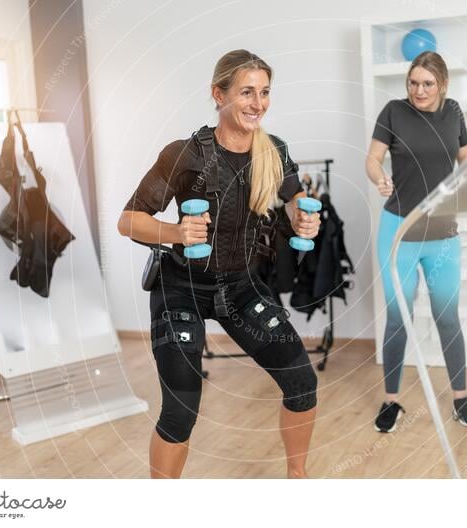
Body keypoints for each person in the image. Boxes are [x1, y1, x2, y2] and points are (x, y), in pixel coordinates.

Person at [117, 50, 321, 478]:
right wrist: (176, 233)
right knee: (181, 411)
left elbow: (291, 201)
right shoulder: (185, 154)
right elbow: (128, 220)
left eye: (264, 92)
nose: (257, 103)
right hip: (181, 289)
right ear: (218, 94)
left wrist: (303, 215)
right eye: (246, 92)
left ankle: (298, 480)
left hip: (241, 289)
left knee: (302, 383)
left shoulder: (274, 151)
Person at [364, 51, 467, 433]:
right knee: (398, 318)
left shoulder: (453, 112)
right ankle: (391, 401)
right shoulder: (393, 111)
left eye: (427, 84)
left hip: (443, 234)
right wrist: (378, 177)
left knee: (447, 317)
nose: (419, 90)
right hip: (398, 231)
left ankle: (461, 397)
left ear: (443, 85)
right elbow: (372, 159)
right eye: (413, 82)